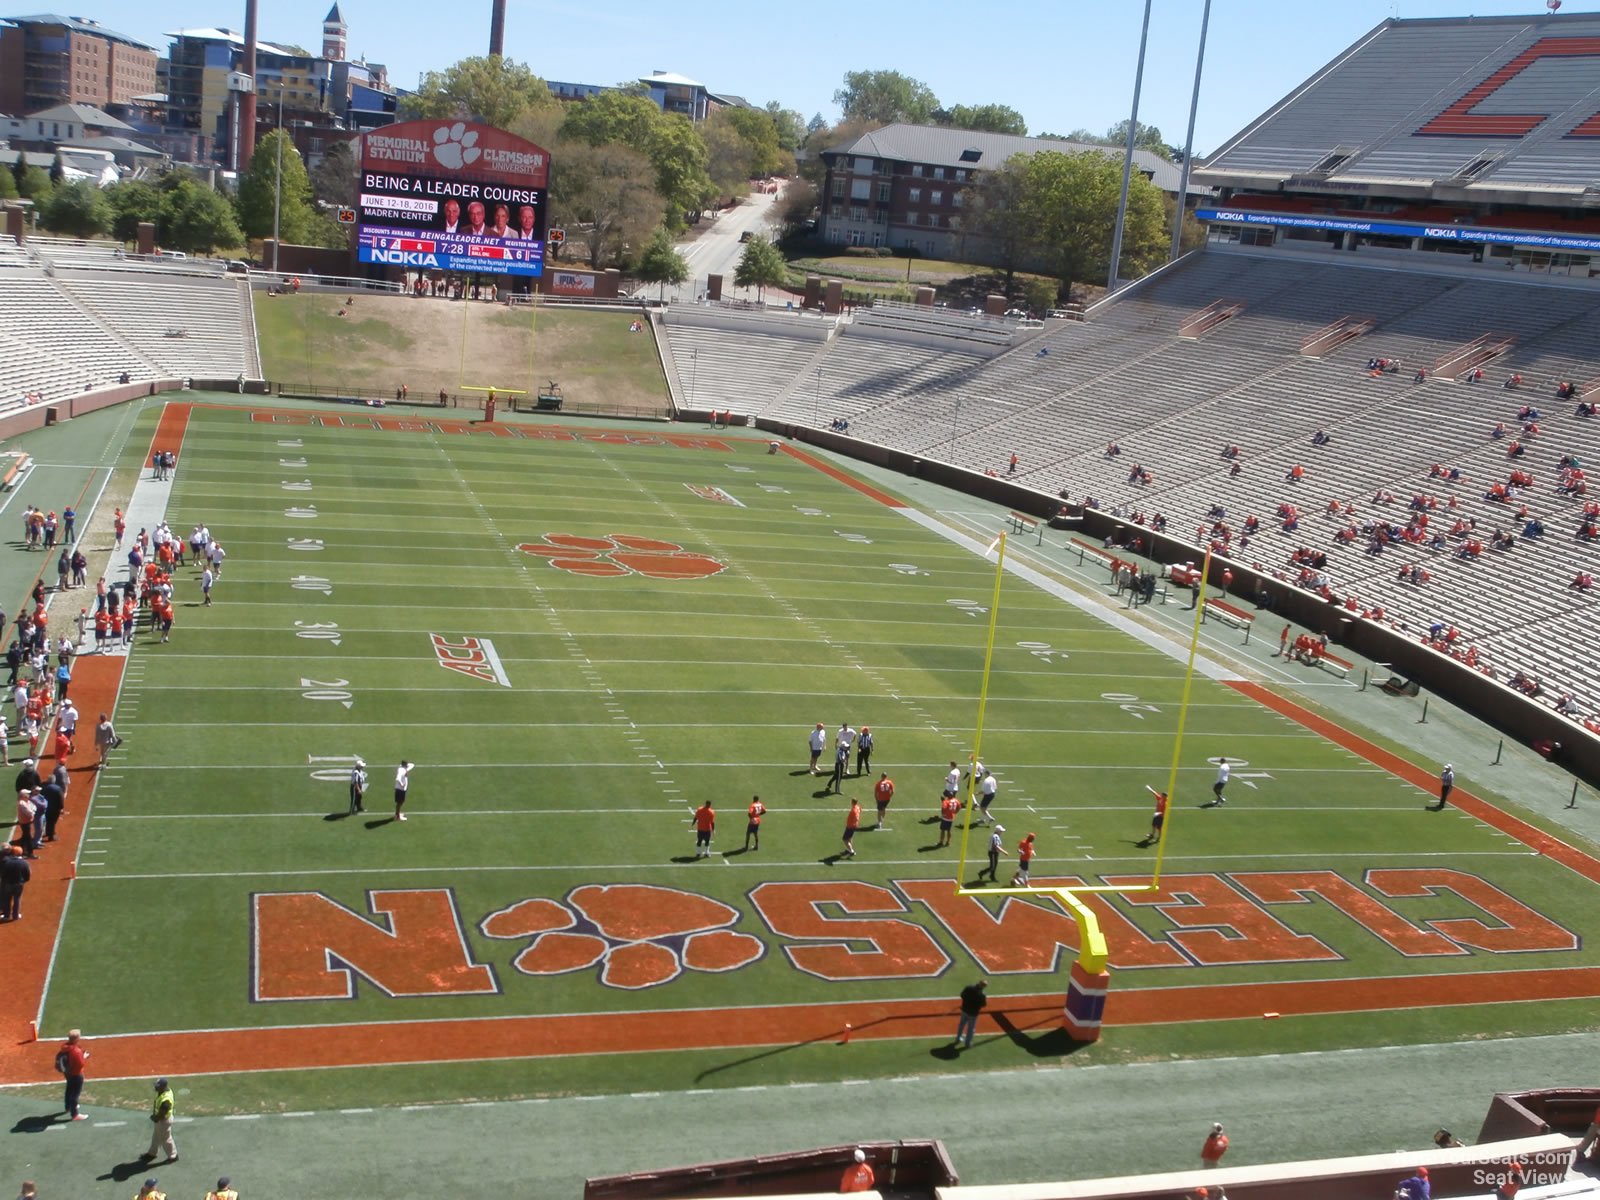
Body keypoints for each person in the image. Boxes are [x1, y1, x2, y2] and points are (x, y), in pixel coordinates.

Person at [140, 1078, 177, 1163]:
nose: (156, 1088)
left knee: (166, 1139)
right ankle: (152, 1153)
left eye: (158, 1086)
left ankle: (173, 1156)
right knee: (156, 1137)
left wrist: (156, 1118)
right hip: (161, 1120)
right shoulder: (165, 1091)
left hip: (163, 1121)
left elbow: (164, 1110)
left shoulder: (166, 1099)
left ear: (163, 1087)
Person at [57, 1029, 88, 1119]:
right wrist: (84, 1057)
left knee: (69, 1090)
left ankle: (68, 1107)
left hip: (68, 1073)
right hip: (76, 1074)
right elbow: (81, 1063)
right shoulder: (76, 1051)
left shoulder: (65, 1047)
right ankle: (75, 1114)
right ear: (76, 1039)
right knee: (75, 1094)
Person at [954, 979, 987, 1049]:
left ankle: (958, 1039)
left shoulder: (969, 987)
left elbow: (962, 995)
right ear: (983, 986)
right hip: (973, 1013)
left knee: (961, 1025)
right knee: (971, 1028)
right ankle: (967, 1043)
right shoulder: (982, 995)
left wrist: (966, 1002)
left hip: (964, 1010)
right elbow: (983, 1005)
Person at [0, 843, 29, 920]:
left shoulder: (6, 862)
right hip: (19, 884)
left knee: (7, 899)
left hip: (8, 883)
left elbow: (2, 873)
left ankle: (6, 915)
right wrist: (23, 881)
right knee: (17, 900)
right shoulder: (24, 863)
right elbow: (27, 874)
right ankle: (15, 916)